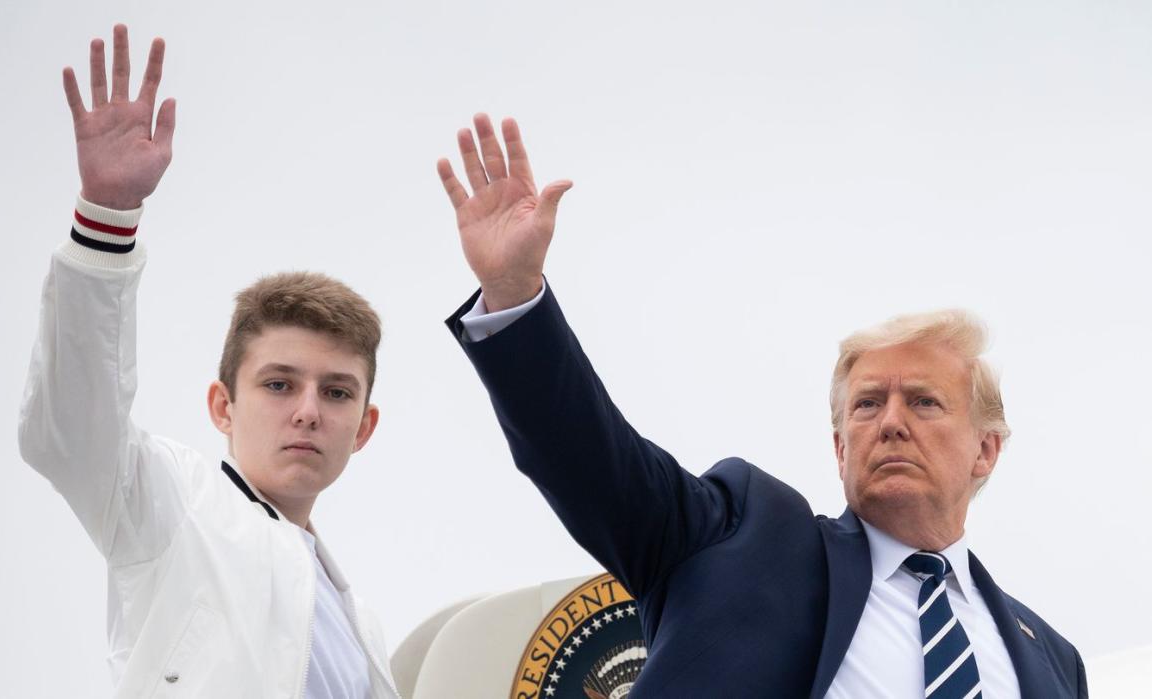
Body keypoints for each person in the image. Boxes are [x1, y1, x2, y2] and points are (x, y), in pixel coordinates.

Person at [436, 114, 1087, 697]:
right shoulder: (746, 535)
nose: (890, 422)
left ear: (987, 447)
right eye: (865, 405)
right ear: (839, 447)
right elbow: (593, 461)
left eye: (923, 402)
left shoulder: (1055, 663)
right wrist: (516, 294)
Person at [18, 25, 399, 698]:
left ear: (364, 427)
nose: (308, 409)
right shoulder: (171, 505)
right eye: (279, 383)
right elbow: (72, 427)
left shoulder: (361, 625)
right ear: (222, 404)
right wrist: (106, 215)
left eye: (337, 393)